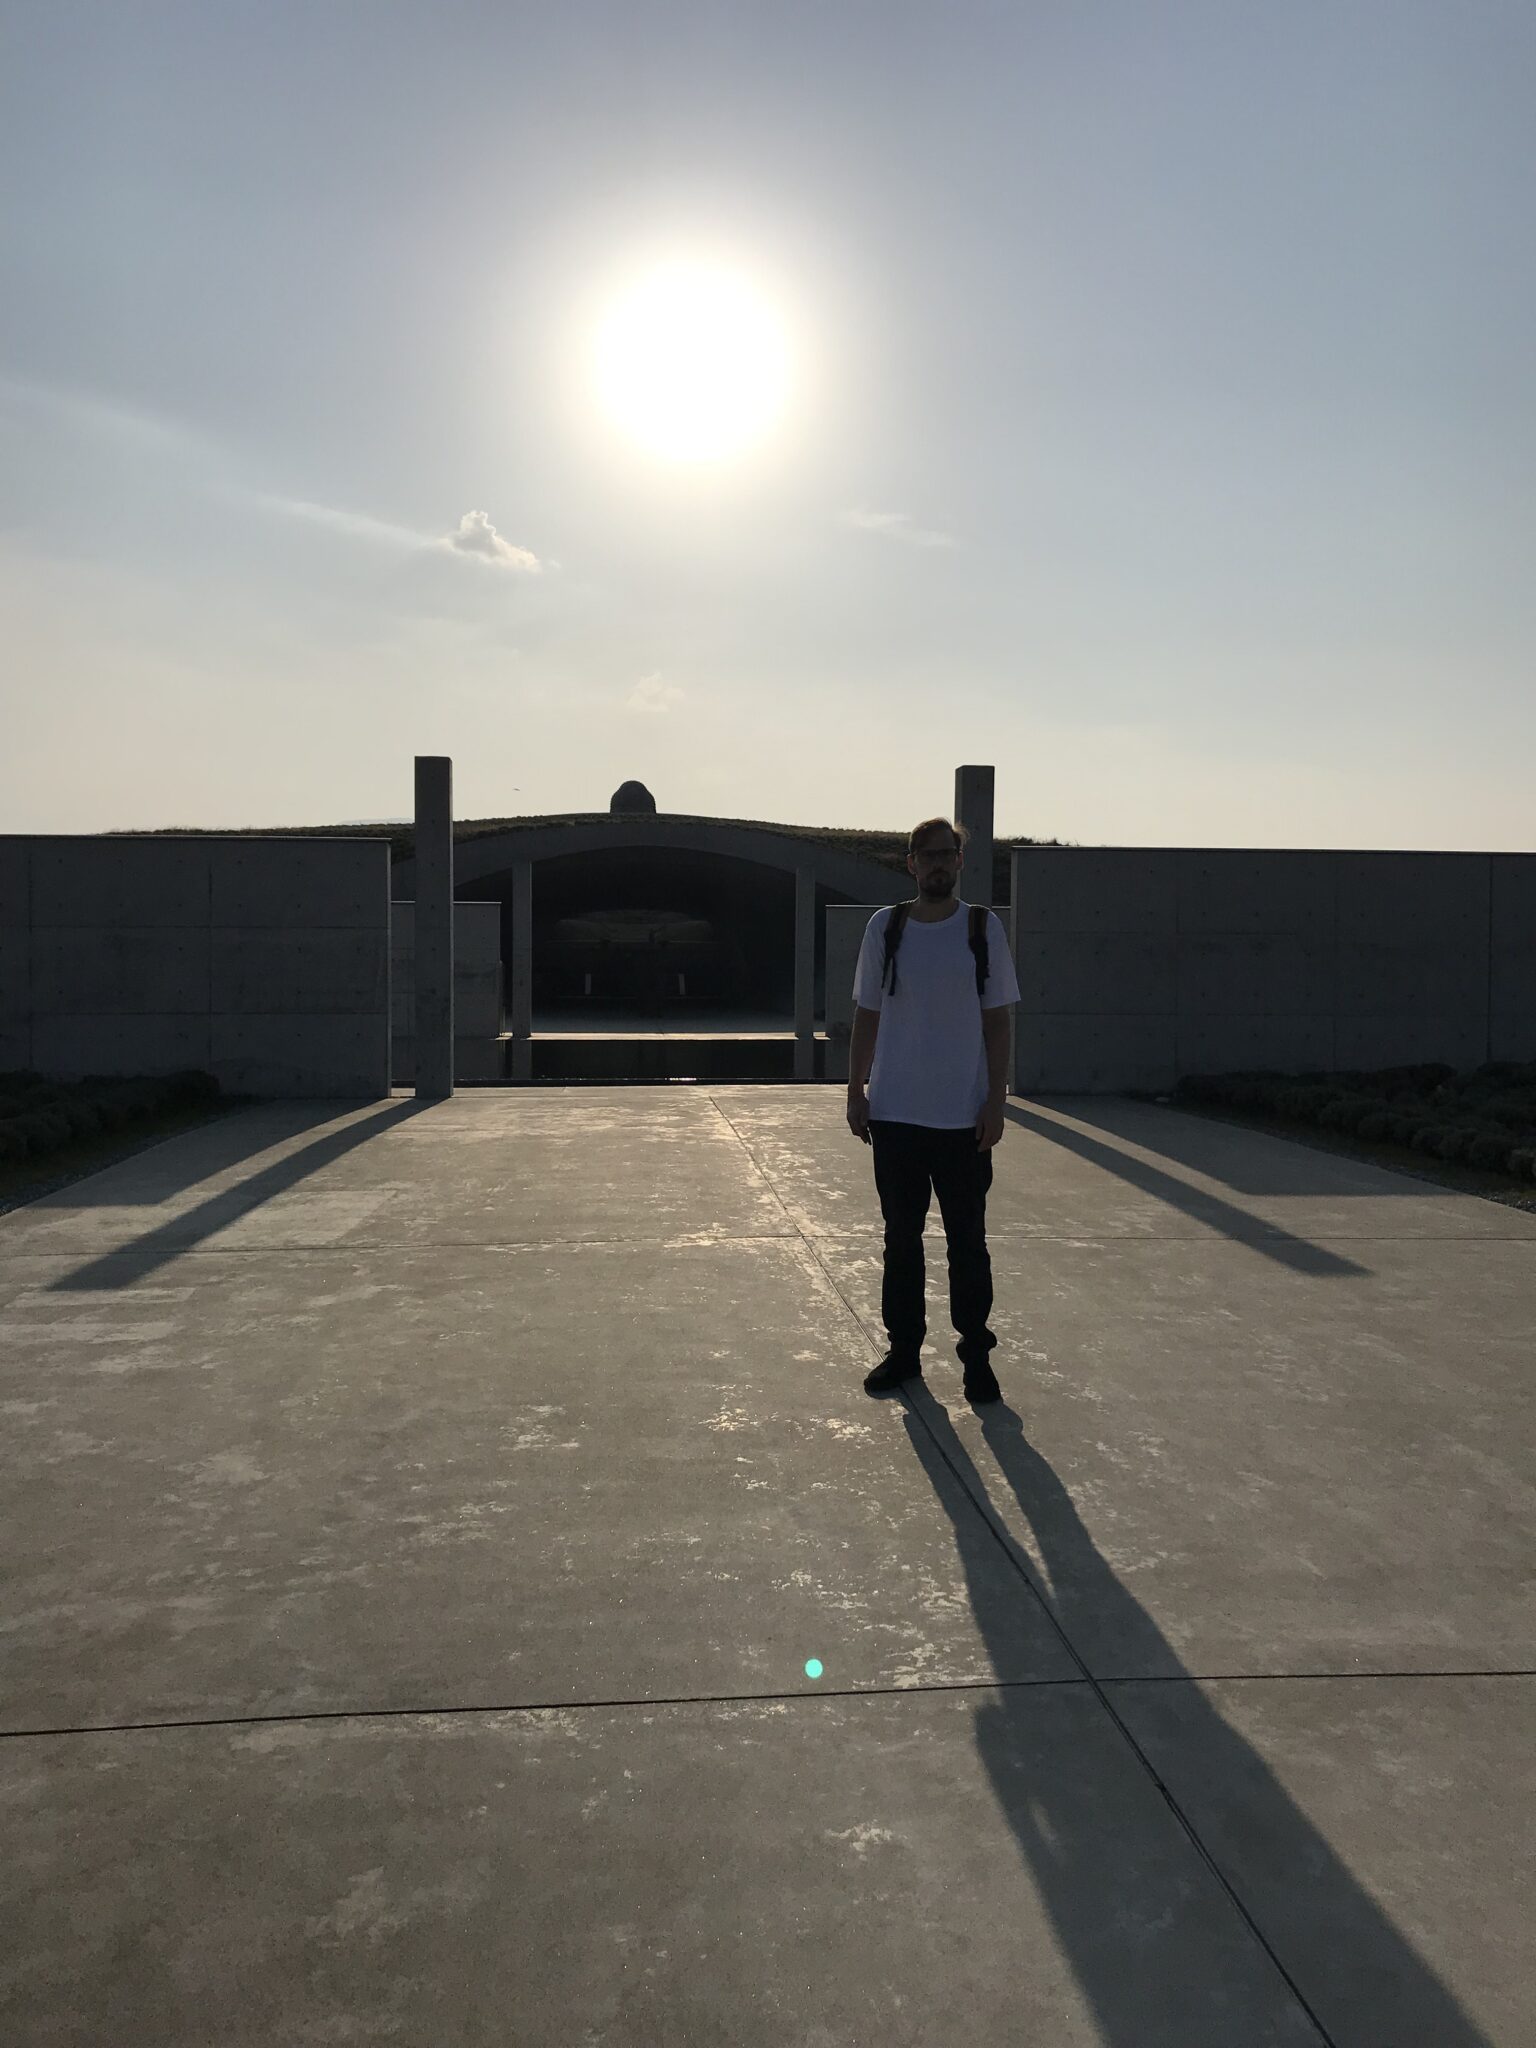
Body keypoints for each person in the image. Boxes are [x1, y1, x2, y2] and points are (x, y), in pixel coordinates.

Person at [846, 816, 1021, 1402]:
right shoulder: (885, 927)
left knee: (968, 1242)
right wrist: (855, 1090)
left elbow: (998, 1022)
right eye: (928, 855)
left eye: (948, 854)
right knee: (902, 1240)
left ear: (960, 862)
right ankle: (903, 1352)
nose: (939, 864)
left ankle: (976, 1358)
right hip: (895, 1115)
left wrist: (995, 1102)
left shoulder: (981, 928)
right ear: (911, 862)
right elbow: (866, 1014)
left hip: (963, 1119)